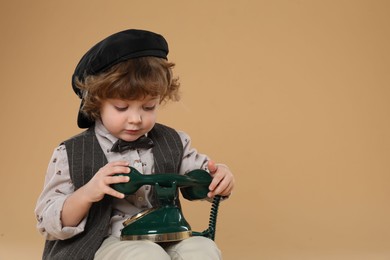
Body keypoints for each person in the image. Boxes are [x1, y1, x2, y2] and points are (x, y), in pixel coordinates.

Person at [35, 29, 235, 260]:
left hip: (165, 237)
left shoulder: (174, 141)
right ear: (95, 102)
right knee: (145, 255)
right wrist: (87, 193)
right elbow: (48, 222)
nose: (136, 119)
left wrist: (220, 178)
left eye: (148, 107)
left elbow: (200, 179)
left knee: (203, 249)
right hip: (103, 242)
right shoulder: (71, 153)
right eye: (121, 107)